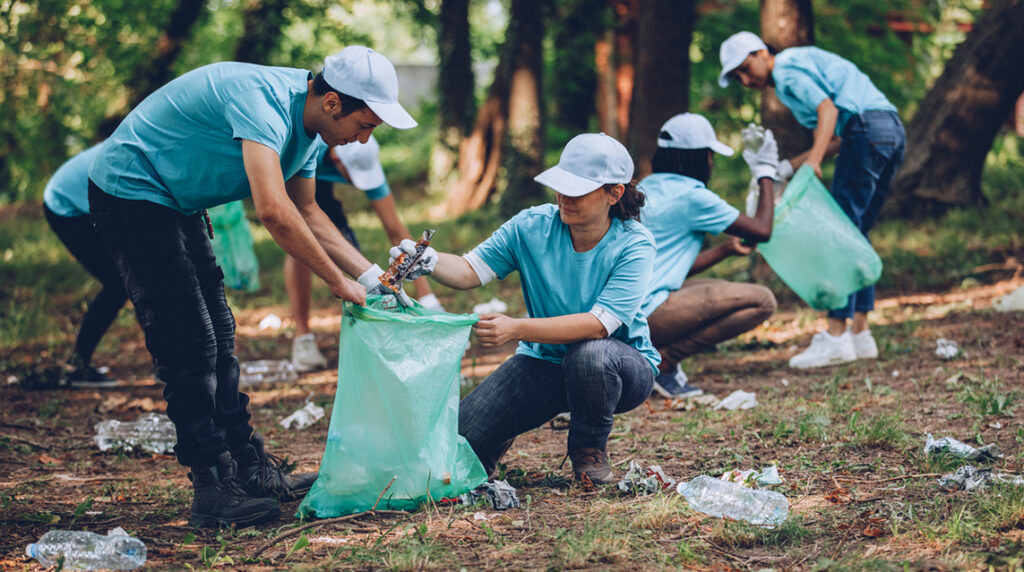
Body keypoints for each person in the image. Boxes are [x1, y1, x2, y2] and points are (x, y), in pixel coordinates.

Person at [87, 46, 417, 527]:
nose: (364, 140)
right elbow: (273, 212)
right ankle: (211, 486)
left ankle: (248, 466)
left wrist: (370, 278)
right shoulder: (262, 102)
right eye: (364, 125)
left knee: (220, 329)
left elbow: (308, 211)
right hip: (130, 189)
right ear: (332, 103)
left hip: (175, 198)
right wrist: (337, 281)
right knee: (190, 338)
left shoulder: (309, 132)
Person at [396, 133, 660, 484]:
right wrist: (428, 260)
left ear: (614, 193)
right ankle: (487, 452)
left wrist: (516, 328)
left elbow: (599, 325)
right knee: (454, 443)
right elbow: (469, 270)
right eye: (561, 185)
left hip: (620, 367)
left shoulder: (634, 244)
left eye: (578, 190)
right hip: (544, 363)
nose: (565, 197)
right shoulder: (531, 226)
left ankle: (588, 452)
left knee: (589, 355)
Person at [720, 32, 905, 369]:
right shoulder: (797, 69)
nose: (746, 80)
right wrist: (791, 166)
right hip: (889, 130)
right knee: (855, 233)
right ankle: (861, 334)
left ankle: (836, 337)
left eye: (746, 68)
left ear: (763, 52)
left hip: (866, 131)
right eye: (738, 77)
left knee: (840, 236)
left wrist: (815, 161)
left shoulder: (788, 68)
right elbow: (835, 135)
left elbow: (828, 110)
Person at [640, 113, 779, 398]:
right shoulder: (692, 196)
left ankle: (654, 361)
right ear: (697, 158)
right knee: (763, 301)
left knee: (724, 290)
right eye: (710, 155)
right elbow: (761, 230)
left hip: (628, 305)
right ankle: (663, 361)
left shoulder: (647, 186)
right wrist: (766, 172)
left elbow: (669, 269)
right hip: (646, 313)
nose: (712, 163)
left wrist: (726, 249)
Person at [286, 135, 443, 372]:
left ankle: (365, 330)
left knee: (348, 247)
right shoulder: (308, 149)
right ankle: (302, 337)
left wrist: (427, 298)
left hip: (325, 173)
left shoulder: (365, 157)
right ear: (337, 159)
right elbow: (296, 218)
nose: (360, 185)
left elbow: (396, 230)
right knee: (301, 239)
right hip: (304, 175)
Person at [41, 118, 128, 388]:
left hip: (79, 202)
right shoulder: (127, 155)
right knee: (120, 283)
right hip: (66, 206)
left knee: (134, 277)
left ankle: (167, 361)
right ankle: (77, 366)